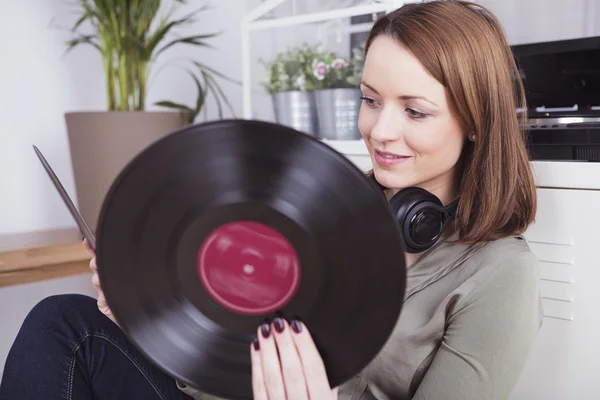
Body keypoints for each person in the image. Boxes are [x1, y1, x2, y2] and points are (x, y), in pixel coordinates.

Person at [0, 1, 543, 399]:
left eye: (414, 111)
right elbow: (219, 358)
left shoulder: (499, 274)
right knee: (63, 322)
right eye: (370, 100)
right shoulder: (324, 213)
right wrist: (149, 315)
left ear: (474, 121)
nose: (380, 131)